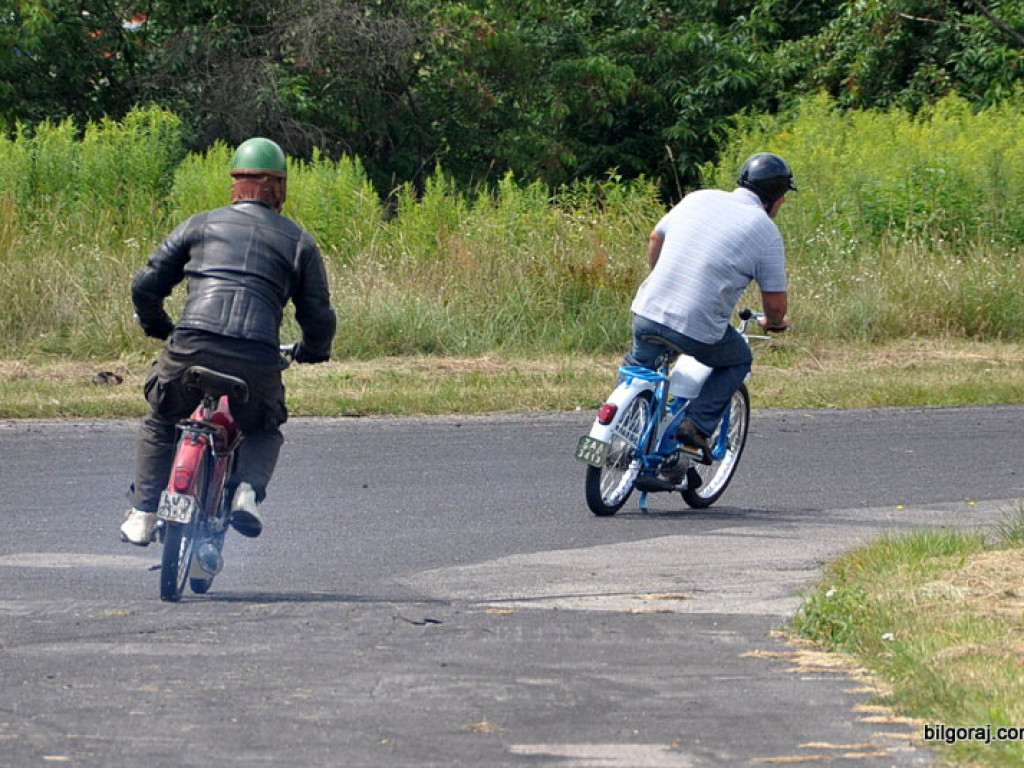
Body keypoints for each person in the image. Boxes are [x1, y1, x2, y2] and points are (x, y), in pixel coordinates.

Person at [120, 137, 337, 546]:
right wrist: (314, 350)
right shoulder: (299, 241)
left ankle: (145, 511)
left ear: (235, 184)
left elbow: (146, 284)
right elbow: (318, 314)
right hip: (256, 357)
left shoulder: (201, 223)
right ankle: (246, 493)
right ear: (279, 187)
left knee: (162, 418)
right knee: (263, 428)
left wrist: (158, 326)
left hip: (191, 345)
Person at [625, 152, 794, 462]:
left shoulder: (698, 198)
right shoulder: (766, 231)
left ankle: (623, 429)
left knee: (639, 371)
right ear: (775, 197)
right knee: (737, 359)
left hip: (647, 311)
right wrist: (774, 322)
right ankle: (697, 425)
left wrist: (658, 278)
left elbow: (655, 237)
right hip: (697, 329)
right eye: (783, 198)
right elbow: (775, 303)